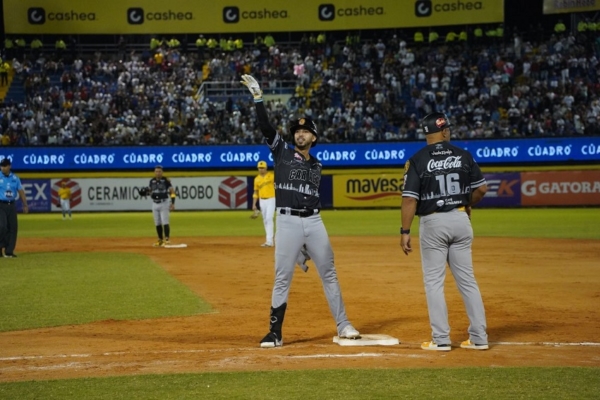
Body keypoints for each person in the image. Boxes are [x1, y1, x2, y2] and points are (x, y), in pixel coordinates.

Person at [241, 74, 360, 348]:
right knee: (282, 277)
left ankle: (343, 324)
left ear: (314, 136)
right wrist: (259, 99)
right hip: (287, 222)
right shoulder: (281, 152)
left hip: (315, 223)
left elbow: (310, 199)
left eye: (305, 131)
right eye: (296, 130)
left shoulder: (317, 166)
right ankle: (275, 333)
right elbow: (265, 127)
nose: (299, 133)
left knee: (329, 273)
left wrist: (304, 244)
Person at [400, 112, 489, 351]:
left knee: (434, 283)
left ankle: (441, 339)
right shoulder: (463, 155)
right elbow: (482, 189)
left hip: (433, 222)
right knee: (468, 282)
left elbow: (409, 200)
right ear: (445, 131)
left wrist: (405, 230)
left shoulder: (417, 160)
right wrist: (466, 203)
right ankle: (479, 338)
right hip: (461, 218)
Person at [0, 158, 29, 258]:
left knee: (13, 228)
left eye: (5, 166)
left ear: (9, 166)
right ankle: (0, 248)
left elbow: (21, 191)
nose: (3, 168)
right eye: (1, 166)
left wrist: (25, 204)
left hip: (11, 204)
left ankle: (9, 251)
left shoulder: (15, 178)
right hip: (1, 205)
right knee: (2, 226)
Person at [143, 165, 175, 247]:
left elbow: (172, 191)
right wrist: (146, 192)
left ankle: (167, 239)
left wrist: (173, 203)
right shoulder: (151, 181)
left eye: (159, 171)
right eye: (156, 171)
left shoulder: (166, 180)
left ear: (162, 172)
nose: (158, 173)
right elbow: (150, 191)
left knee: (165, 221)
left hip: (164, 202)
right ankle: (160, 240)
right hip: (154, 203)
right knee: (157, 223)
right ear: (154, 172)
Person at [251, 160, 275, 247]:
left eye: (262, 167)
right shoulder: (256, 179)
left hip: (271, 199)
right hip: (262, 200)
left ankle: (270, 241)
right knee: (265, 220)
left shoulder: (272, 176)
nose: (261, 169)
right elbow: (255, 192)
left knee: (269, 218)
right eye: (259, 168)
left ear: (266, 168)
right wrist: (254, 204)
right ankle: (268, 240)